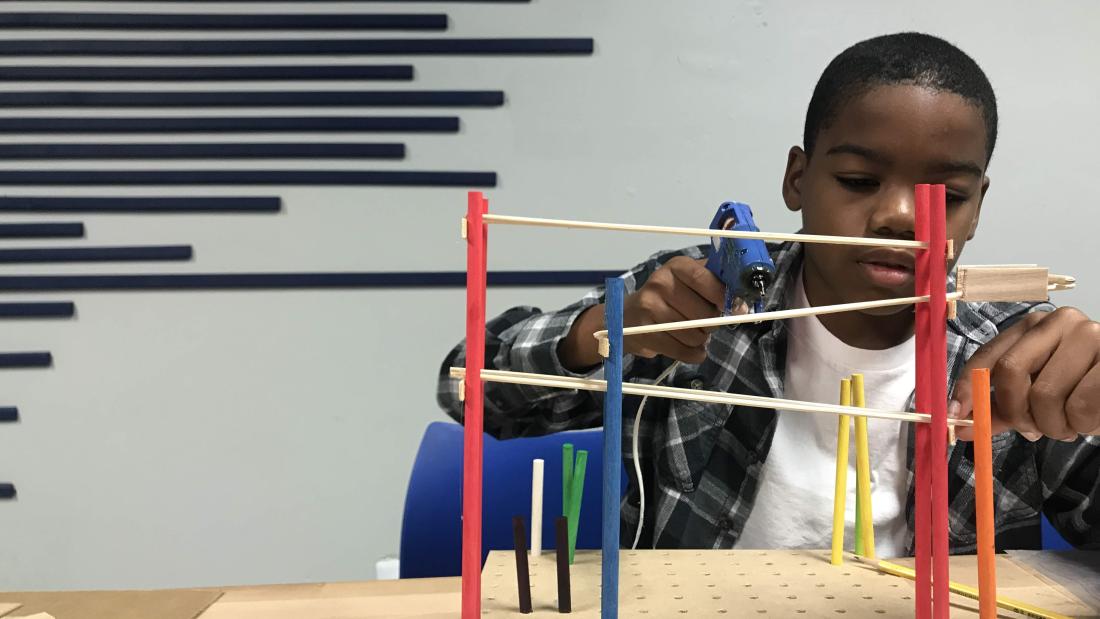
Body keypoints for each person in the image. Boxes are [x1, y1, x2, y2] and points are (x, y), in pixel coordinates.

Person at [437, 32, 1100, 555]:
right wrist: (598, 335)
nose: (900, 215)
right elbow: (468, 386)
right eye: (858, 179)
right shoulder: (699, 298)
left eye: (946, 196)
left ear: (976, 208)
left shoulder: (1020, 361)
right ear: (797, 179)